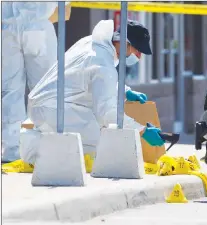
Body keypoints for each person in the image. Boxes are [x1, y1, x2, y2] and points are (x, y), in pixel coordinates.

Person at [17, 19, 165, 167]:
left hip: (46, 103)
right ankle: (33, 146)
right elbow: (107, 113)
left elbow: (92, 78)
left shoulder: (92, 43)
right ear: (124, 42)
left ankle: (38, 141)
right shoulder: (102, 63)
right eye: (137, 50)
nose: (139, 56)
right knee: (98, 141)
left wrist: (125, 91)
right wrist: (142, 130)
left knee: (93, 136)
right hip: (52, 108)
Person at [1, 2, 64, 163]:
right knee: (44, 90)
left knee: (10, 92)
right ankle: (46, 147)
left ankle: (12, 150)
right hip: (37, 27)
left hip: (7, 28)